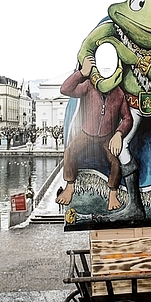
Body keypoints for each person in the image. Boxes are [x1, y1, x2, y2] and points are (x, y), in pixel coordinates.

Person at [56, 56, 132, 211]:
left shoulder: (119, 93)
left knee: (115, 162)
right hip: (87, 133)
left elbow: (127, 118)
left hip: (107, 137)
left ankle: (112, 194)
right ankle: (70, 186)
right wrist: (81, 73)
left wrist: (119, 134)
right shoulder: (89, 86)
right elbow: (65, 89)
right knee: (69, 152)